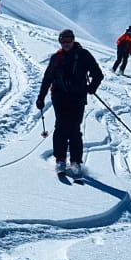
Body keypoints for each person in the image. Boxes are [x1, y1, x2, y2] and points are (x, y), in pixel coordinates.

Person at [37, 28, 103, 177]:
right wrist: (41, 97)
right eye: (63, 41)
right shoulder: (56, 57)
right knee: (61, 127)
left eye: (68, 41)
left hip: (78, 97)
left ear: (73, 40)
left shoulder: (84, 55)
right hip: (59, 96)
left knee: (74, 128)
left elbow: (98, 75)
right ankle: (60, 160)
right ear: (60, 42)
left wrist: (91, 88)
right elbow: (47, 78)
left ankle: (75, 162)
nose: (66, 44)